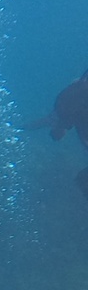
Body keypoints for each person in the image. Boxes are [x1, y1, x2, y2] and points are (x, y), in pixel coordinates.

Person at [24, 69, 88, 199]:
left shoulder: (69, 98)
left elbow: (55, 127)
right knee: (82, 181)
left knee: (82, 181)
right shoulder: (70, 99)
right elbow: (55, 125)